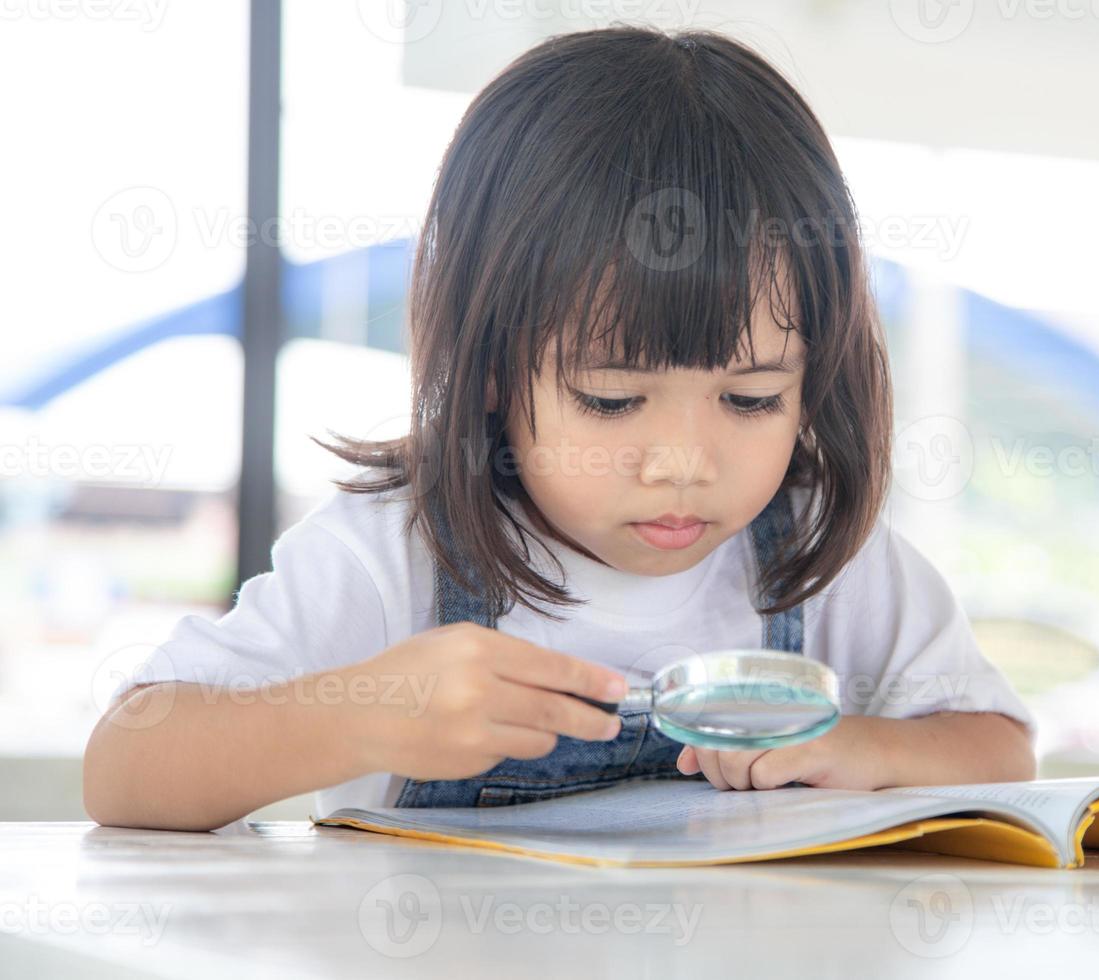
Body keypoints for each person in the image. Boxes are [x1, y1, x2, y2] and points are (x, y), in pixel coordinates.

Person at [83, 25, 1036, 832]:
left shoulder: (824, 559)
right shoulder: (396, 555)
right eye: (613, 400)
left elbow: (1000, 751)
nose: (683, 463)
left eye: (751, 400)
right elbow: (126, 768)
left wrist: (868, 750)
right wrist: (363, 715)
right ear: (493, 370)